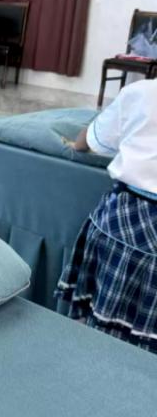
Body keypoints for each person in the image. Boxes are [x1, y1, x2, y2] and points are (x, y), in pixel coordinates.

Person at [58, 78, 157, 352]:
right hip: (132, 226)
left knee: (98, 334)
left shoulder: (141, 92)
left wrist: (77, 144)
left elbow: (91, 140)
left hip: (125, 222)